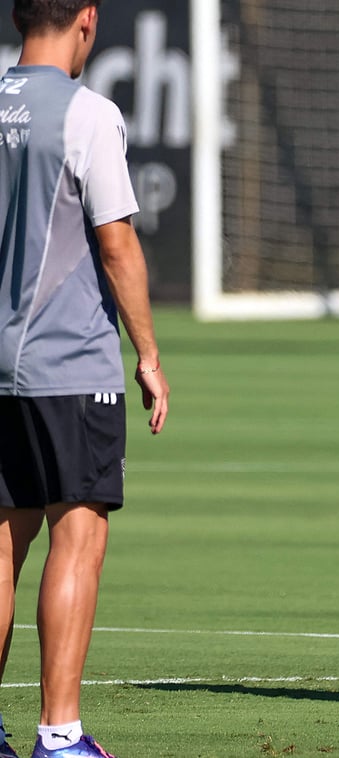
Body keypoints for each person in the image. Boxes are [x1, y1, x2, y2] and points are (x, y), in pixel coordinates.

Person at [0, 1, 169, 756]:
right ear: (88, 20)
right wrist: (149, 356)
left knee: (2, 542)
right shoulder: (88, 112)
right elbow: (117, 242)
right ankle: (60, 735)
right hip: (68, 360)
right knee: (78, 532)